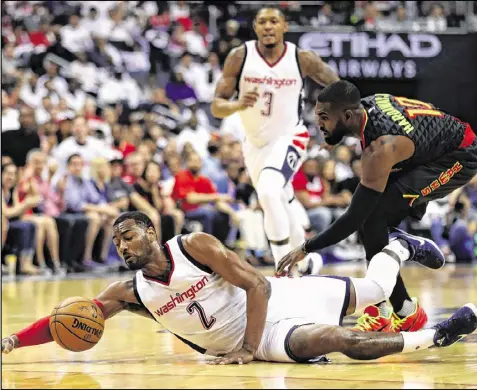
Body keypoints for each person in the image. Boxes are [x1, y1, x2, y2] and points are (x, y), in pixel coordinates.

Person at [2, 212, 477, 364]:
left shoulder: (195, 245)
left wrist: (246, 348)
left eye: (128, 235)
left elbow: (256, 287)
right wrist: (13, 340)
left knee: (376, 287)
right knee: (336, 339)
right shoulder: (129, 292)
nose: (122, 245)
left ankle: (399, 248)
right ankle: (435, 336)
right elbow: (71, 317)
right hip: (267, 338)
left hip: (273, 300)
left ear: (151, 232)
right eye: (116, 241)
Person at [278, 80, 477, 333]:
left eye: (324, 118)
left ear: (348, 115)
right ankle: (400, 309)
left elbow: (352, 218)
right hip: (427, 149)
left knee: (372, 217)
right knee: (373, 221)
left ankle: (406, 256)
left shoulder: (380, 148)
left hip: (458, 155)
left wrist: (306, 247)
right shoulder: (367, 109)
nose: (319, 125)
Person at [211, 6, 340, 274]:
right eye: (262, 22)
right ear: (255, 27)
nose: (268, 26)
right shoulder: (240, 56)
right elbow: (216, 106)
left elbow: (338, 87)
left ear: (285, 26)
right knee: (280, 197)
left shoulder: (301, 58)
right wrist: (236, 105)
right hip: (255, 144)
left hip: (289, 136)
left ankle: (284, 270)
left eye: (273, 21)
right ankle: (309, 261)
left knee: (269, 192)